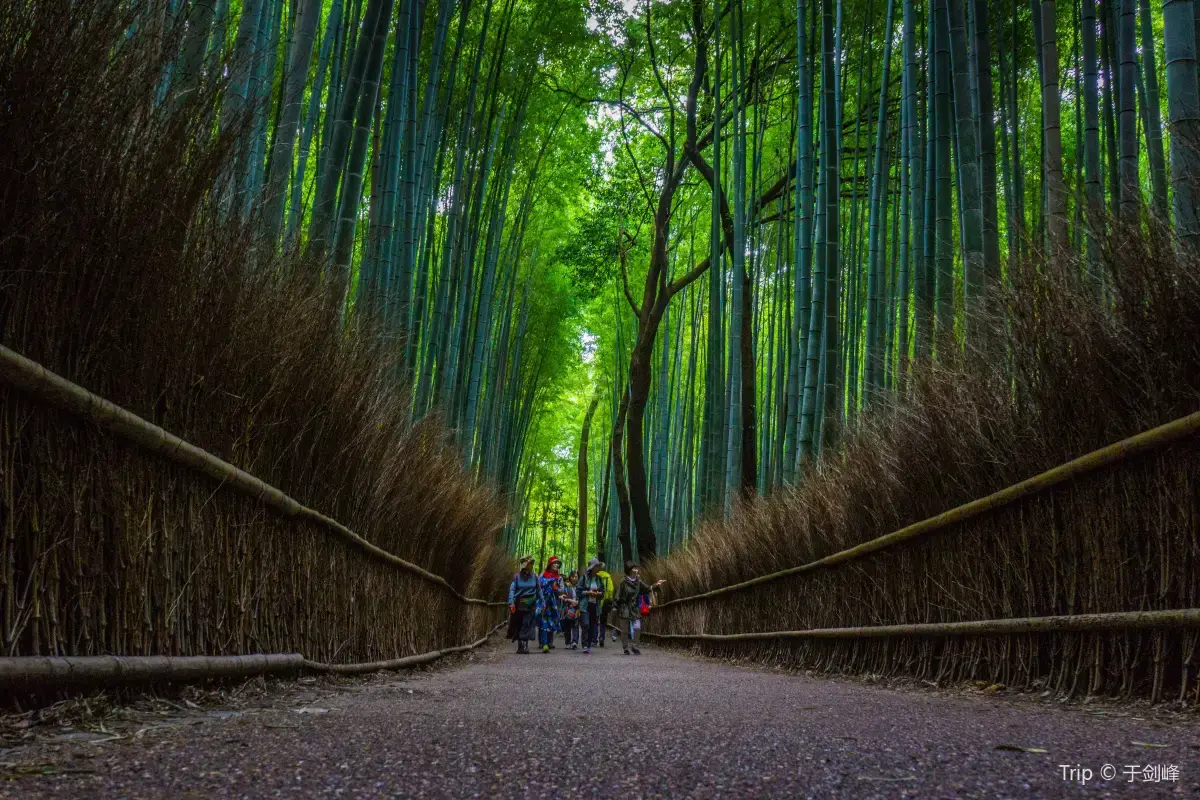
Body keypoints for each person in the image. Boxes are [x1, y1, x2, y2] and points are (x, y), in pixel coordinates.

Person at [614, 561, 665, 655]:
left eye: (636, 568)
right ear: (629, 570)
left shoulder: (638, 581)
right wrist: (615, 605)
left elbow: (647, 588)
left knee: (637, 627)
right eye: (634, 568)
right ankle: (625, 648)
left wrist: (657, 584)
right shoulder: (623, 581)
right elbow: (618, 594)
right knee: (624, 630)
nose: (636, 569)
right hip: (624, 607)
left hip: (634, 607)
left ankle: (634, 646)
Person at [506, 556, 539, 654]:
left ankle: (525, 645)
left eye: (531, 564)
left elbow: (539, 590)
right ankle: (521, 646)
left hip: (531, 603)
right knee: (519, 624)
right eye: (528, 564)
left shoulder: (535, 577)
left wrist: (542, 601)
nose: (529, 566)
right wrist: (511, 602)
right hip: (519, 603)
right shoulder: (516, 577)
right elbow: (512, 590)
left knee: (527, 623)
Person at [536, 556, 565, 653]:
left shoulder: (559, 577)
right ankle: (542, 642)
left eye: (558, 563)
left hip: (554, 601)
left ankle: (550, 642)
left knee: (552, 620)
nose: (556, 565)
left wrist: (555, 588)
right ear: (550, 564)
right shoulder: (542, 575)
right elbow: (538, 586)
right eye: (554, 563)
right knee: (543, 620)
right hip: (544, 600)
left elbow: (562, 590)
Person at [577, 558, 606, 654]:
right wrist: (587, 592)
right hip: (585, 604)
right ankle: (585, 645)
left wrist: (598, 594)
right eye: (597, 566)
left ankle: (588, 644)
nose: (598, 568)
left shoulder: (599, 579)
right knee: (585, 624)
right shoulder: (584, 578)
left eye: (598, 566)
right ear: (592, 567)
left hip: (595, 605)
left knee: (592, 625)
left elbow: (603, 592)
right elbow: (578, 592)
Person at [594, 560, 615, 645]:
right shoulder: (607, 576)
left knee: (595, 620)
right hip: (605, 602)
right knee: (603, 621)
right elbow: (611, 589)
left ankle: (594, 639)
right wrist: (609, 598)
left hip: (596, 600)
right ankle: (602, 636)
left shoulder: (595, 576)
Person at [560, 570, 581, 649]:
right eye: (573, 577)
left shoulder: (580, 587)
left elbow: (582, 597)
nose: (574, 578)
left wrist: (577, 602)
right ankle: (568, 642)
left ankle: (575, 642)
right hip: (567, 608)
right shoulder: (566, 586)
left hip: (577, 609)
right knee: (567, 626)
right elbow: (563, 596)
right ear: (570, 577)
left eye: (576, 577)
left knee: (576, 625)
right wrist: (570, 601)